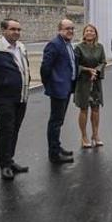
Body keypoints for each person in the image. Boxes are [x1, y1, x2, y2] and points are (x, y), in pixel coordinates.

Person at [0, 18, 31, 180]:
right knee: (7, 129)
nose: (16, 32)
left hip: (21, 96)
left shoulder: (21, 47)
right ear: (3, 30)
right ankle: (4, 165)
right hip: (3, 98)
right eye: (13, 29)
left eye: (18, 29)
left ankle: (10, 160)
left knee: (14, 129)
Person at [41, 19, 77, 164]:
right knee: (55, 122)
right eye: (67, 28)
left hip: (67, 88)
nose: (70, 31)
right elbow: (45, 68)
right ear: (59, 30)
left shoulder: (67, 44)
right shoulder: (54, 44)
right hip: (58, 89)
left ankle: (57, 146)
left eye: (72, 29)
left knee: (59, 120)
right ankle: (54, 153)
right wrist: (50, 84)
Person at [73, 24, 106, 148]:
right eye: (87, 31)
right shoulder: (78, 48)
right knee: (84, 109)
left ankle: (95, 135)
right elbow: (75, 65)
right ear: (84, 33)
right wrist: (88, 70)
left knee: (96, 109)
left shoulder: (100, 47)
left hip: (96, 81)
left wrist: (96, 71)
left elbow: (103, 62)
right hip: (83, 82)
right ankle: (84, 136)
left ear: (95, 33)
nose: (89, 33)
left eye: (92, 31)